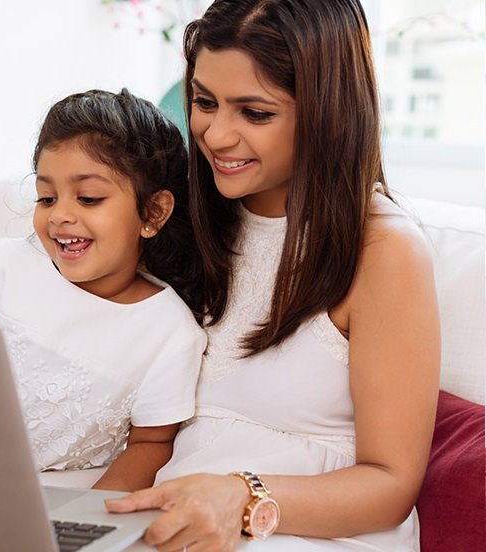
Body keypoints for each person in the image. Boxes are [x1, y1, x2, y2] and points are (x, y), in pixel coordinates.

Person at [105, 1, 440, 551]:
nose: (215, 136)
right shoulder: (198, 214)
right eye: (204, 102)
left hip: (309, 529)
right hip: (181, 518)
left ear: (328, 112)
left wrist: (242, 496)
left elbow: (391, 484)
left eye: (254, 113)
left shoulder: (385, 249)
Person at [0, 88, 207, 492]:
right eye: (46, 197)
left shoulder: (170, 332)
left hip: (50, 499)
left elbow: (152, 443)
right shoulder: (7, 266)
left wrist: (94, 520)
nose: (60, 216)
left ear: (153, 212)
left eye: (88, 198)